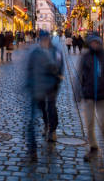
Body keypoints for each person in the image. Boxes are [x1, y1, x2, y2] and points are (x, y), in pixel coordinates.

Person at [25, 30, 64, 160]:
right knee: (42, 107)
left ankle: (52, 130)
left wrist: (57, 79)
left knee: (51, 107)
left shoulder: (56, 51)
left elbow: (60, 66)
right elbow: (30, 68)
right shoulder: (36, 52)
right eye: (42, 39)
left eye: (46, 39)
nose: (44, 41)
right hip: (39, 87)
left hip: (52, 85)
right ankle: (46, 125)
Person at [78, 33, 104, 161]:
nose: (94, 44)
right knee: (89, 123)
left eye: (96, 42)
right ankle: (93, 147)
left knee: (103, 123)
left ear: (99, 43)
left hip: (102, 95)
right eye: (92, 43)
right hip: (89, 94)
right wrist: (80, 92)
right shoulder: (86, 57)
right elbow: (80, 75)